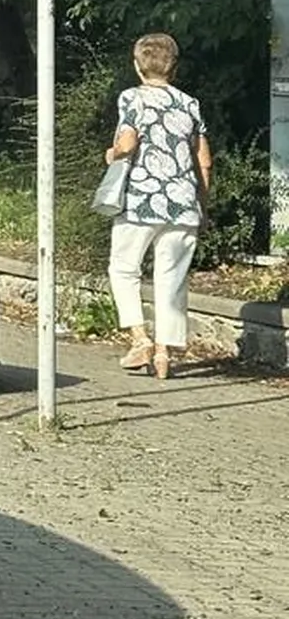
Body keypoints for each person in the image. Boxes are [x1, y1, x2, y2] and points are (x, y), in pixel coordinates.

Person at [103, 31, 213, 381]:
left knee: (123, 269)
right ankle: (165, 355)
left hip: (141, 202)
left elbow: (128, 142)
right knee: (171, 281)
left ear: (138, 66)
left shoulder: (132, 98)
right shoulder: (189, 103)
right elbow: (204, 160)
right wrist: (202, 202)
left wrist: (112, 153)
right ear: (173, 68)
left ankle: (140, 340)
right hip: (183, 205)